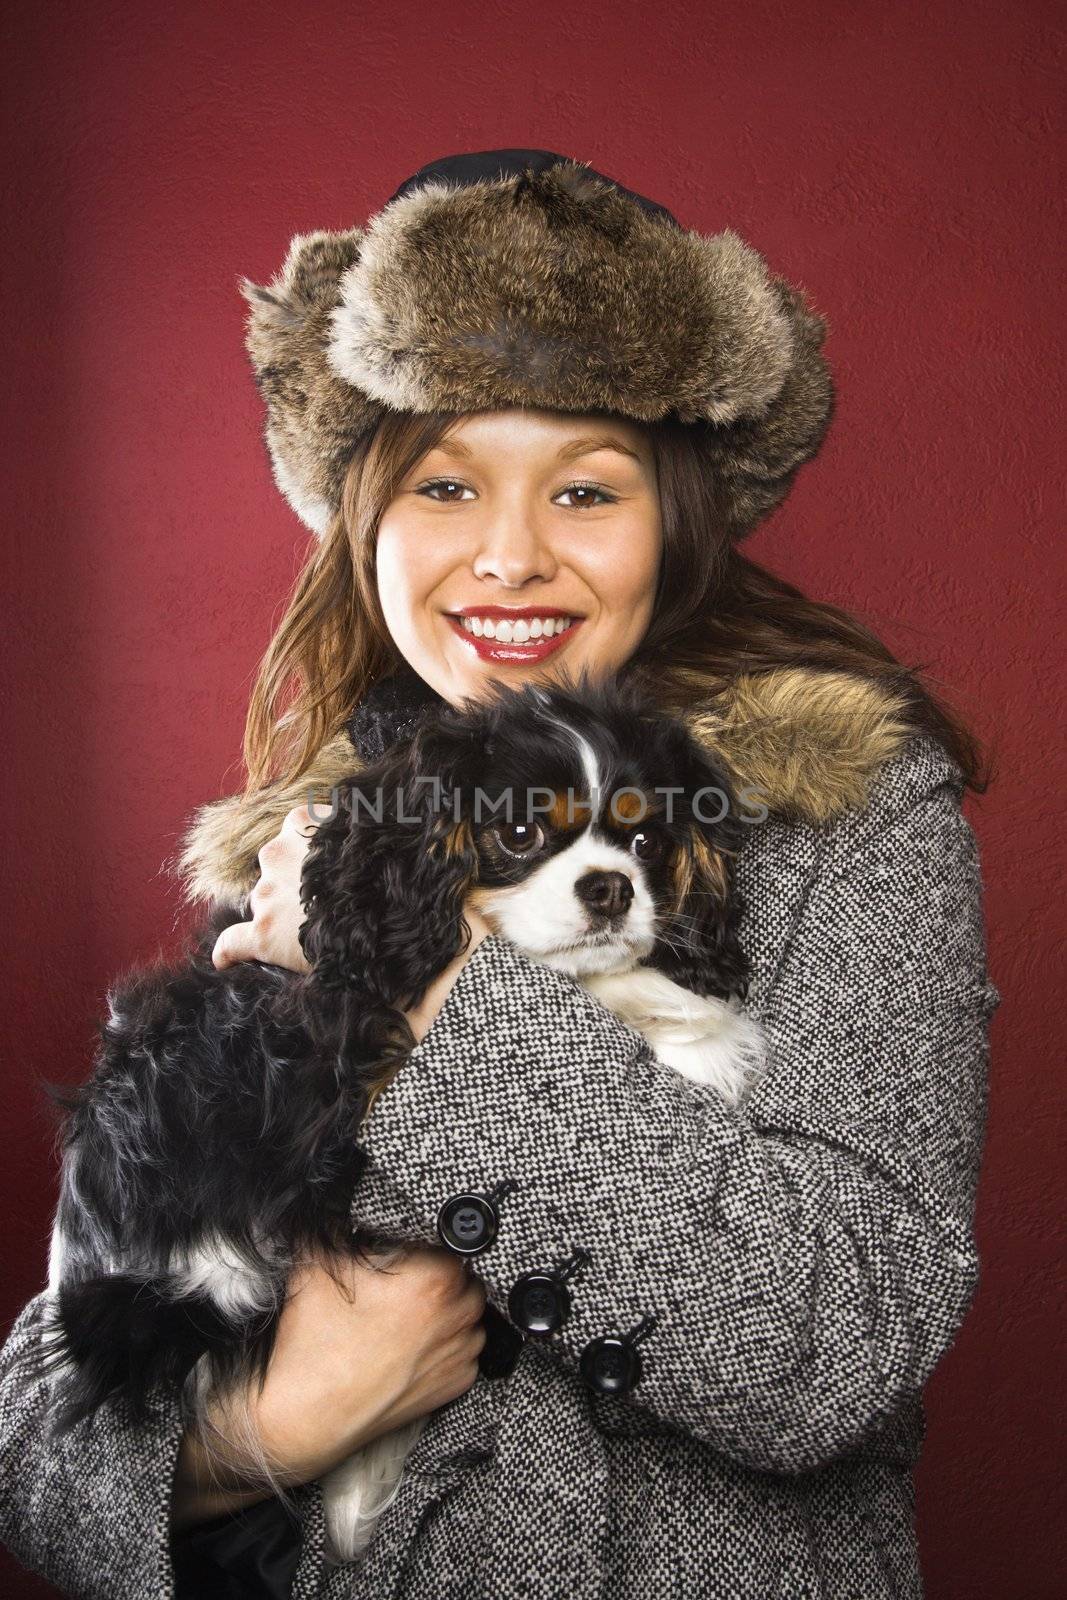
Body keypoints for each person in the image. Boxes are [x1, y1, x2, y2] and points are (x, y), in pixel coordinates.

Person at [0, 149, 1001, 1599]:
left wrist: (429, 1001)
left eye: (586, 491)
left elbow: (837, 1339)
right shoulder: (311, 844)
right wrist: (265, 1428)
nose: (512, 557)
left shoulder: (843, 817)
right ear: (364, 521)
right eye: (448, 483)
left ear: (675, 519)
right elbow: (39, 1428)